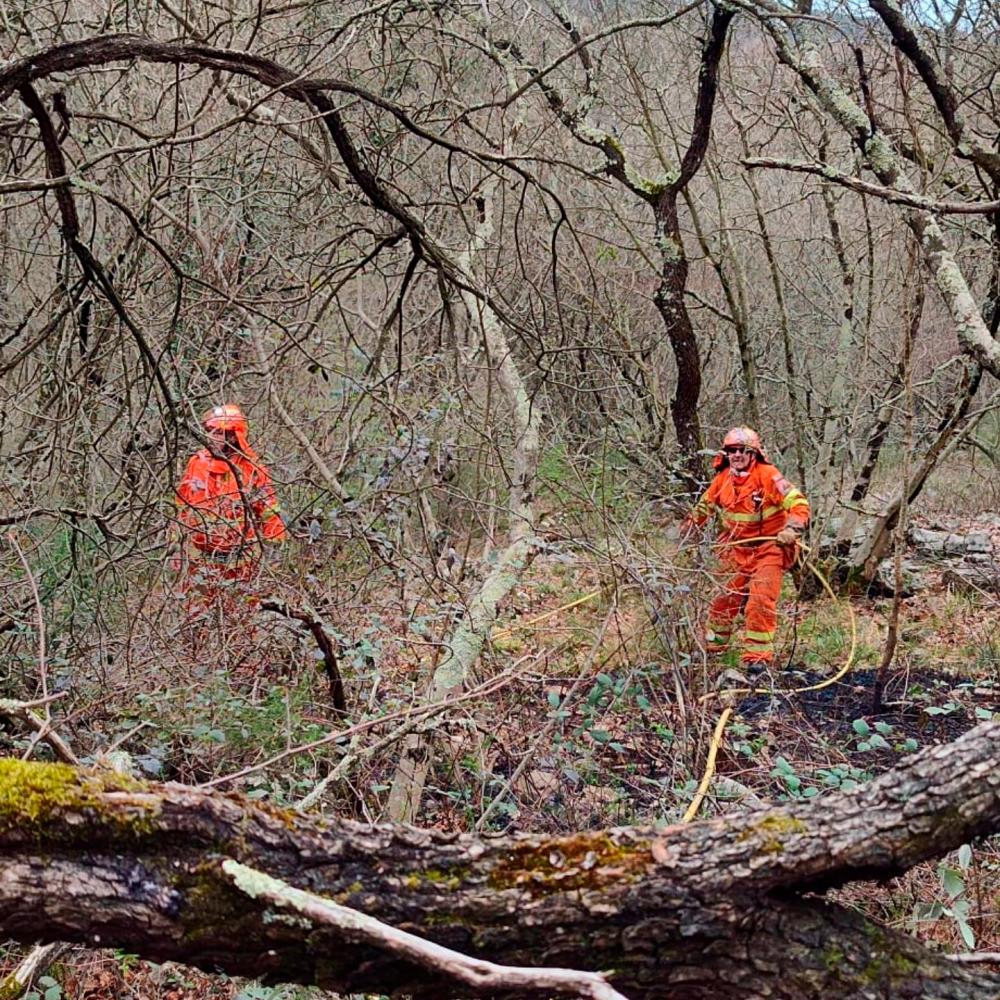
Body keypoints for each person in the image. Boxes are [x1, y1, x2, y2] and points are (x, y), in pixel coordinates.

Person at [682, 426, 809, 670]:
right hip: (734, 548)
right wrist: (685, 532)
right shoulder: (722, 480)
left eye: (743, 450)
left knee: (760, 600)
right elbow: (703, 509)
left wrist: (792, 529)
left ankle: (758, 659)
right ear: (726, 454)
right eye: (732, 450)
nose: (737, 455)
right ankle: (714, 647)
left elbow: (798, 502)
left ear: (753, 453)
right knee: (722, 598)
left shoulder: (769, 476)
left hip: (770, 547)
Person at [174, 404, 287, 597]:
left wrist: (275, 550)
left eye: (218, 433)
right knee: (198, 609)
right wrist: (176, 547)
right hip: (201, 560)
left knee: (239, 609)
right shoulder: (197, 464)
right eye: (210, 431)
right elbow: (182, 507)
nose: (211, 437)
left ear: (233, 437)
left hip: (240, 561)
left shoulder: (252, 469)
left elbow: (269, 511)